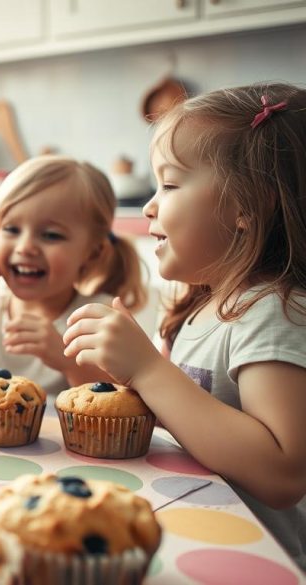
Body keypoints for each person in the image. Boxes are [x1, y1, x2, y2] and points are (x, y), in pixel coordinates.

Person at [62, 82, 306, 569]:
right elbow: (182, 415)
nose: (150, 206)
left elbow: (283, 473)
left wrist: (148, 371)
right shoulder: (201, 306)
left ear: (246, 205)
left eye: (170, 185)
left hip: (252, 562)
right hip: (194, 536)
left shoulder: (274, 313)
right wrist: (125, 373)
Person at [0, 155, 145, 393]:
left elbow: (116, 401)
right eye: (11, 229)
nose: (25, 247)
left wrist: (67, 360)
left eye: (50, 235)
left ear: (92, 252)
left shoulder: (96, 318)